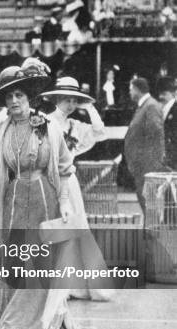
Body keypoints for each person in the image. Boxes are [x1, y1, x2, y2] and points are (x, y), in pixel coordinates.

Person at [0, 58, 101, 329]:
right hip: (12, 199)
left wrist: (63, 203)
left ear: (28, 98)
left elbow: (63, 167)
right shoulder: (1, 129)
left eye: (19, 95)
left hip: (43, 197)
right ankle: (12, 324)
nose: (14, 101)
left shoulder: (48, 127)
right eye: (9, 96)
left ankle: (38, 325)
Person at [40, 76, 113, 301]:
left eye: (74, 100)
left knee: (75, 228)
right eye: (66, 99)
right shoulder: (44, 121)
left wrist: (89, 107)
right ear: (56, 99)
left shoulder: (75, 125)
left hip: (68, 181)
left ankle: (73, 285)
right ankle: (50, 283)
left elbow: (100, 132)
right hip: (46, 178)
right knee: (50, 227)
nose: (70, 105)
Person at [125, 77, 168, 212]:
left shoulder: (150, 106)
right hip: (142, 163)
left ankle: (151, 230)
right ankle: (149, 229)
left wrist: (149, 160)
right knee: (144, 198)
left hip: (147, 164)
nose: (130, 93)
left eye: (131, 89)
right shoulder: (145, 106)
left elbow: (155, 133)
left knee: (148, 199)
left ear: (138, 90)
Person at [157, 77, 177, 170]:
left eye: (164, 94)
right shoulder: (162, 109)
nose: (161, 97)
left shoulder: (175, 110)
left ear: (173, 93)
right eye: (160, 93)